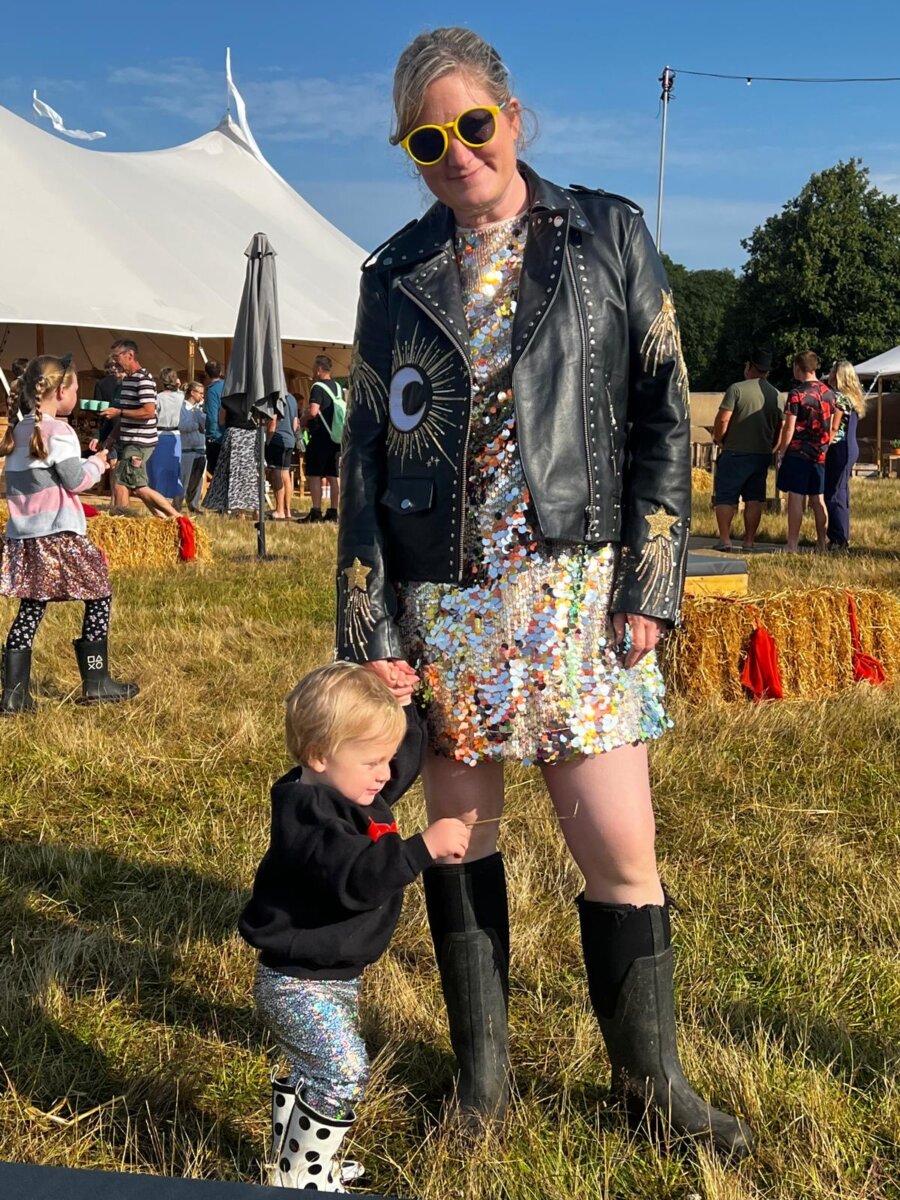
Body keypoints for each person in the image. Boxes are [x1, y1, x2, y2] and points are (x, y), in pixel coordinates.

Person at [336, 26, 751, 1158]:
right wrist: (370, 622)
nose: (457, 151)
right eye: (428, 138)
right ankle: (482, 1084)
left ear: (514, 120)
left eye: (474, 124)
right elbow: (367, 460)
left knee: (619, 845)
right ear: (410, 152)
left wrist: (654, 577)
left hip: (581, 592)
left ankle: (650, 1083)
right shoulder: (390, 275)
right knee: (459, 839)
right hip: (451, 600)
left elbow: (668, 414)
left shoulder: (609, 234)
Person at [238, 661, 470, 1189]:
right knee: (343, 1072)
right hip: (296, 982)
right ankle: (306, 1177)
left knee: (312, 1071)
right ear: (320, 755)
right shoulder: (310, 817)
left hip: (332, 974)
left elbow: (403, 763)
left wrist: (404, 707)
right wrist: (422, 849)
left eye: (384, 759)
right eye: (372, 762)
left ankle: (293, 1163)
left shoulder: (349, 788)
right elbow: (358, 879)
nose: (385, 774)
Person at [0, 355, 138, 712]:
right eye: (76, 387)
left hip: (26, 536)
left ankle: (14, 695)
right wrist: (98, 463)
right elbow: (76, 481)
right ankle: (97, 682)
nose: (78, 392)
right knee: (99, 593)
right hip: (60, 534)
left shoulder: (18, 431)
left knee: (32, 605)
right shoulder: (60, 432)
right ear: (61, 391)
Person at [712, 346, 784, 551]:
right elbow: (781, 426)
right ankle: (749, 540)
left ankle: (725, 539)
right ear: (767, 371)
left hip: (734, 451)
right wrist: (773, 447)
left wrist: (719, 438)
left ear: (751, 366)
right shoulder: (776, 395)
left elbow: (723, 419)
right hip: (761, 453)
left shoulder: (736, 389)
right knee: (754, 498)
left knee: (726, 496)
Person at [100, 340, 179, 519]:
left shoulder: (143, 380)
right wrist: (113, 436)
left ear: (130, 355)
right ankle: (169, 519)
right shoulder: (128, 380)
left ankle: (122, 520)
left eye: (116, 357)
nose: (114, 362)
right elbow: (127, 416)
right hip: (129, 441)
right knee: (138, 487)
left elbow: (148, 412)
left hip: (139, 442)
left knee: (122, 481)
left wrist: (118, 411)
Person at [774, 351, 835, 553]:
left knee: (796, 497)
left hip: (799, 452)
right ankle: (821, 544)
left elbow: (789, 427)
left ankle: (792, 544)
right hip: (820, 453)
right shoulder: (829, 393)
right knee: (818, 499)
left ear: (798, 368)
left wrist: (782, 451)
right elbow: (833, 423)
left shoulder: (797, 394)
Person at [824, 360, 866, 549]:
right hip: (850, 447)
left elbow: (834, 427)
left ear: (838, 375)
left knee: (834, 492)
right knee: (842, 491)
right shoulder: (854, 397)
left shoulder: (839, 398)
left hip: (839, 448)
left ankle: (838, 538)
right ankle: (841, 535)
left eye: (832, 371)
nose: (829, 374)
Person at [298, 355, 341, 523]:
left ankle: (316, 511)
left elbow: (314, 411)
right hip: (334, 435)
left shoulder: (317, 387)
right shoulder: (337, 387)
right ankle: (333, 511)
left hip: (320, 436)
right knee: (332, 475)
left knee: (315, 474)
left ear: (318, 369)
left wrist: (303, 419)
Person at [202, 396, 258, 518]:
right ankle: (255, 509)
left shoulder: (228, 400)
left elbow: (221, 421)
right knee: (251, 474)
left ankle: (238, 510)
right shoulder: (255, 397)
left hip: (234, 435)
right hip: (251, 437)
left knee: (233, 473)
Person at [147, 367, 184, 504]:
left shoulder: (158, 398)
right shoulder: (182, 398)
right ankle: (177, 503)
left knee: (158, 471)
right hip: (177, 435)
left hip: (159, 435)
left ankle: (159, 502)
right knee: (176, 470)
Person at [265, 393, 299, 519]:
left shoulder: (275, 398)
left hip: (277, 439)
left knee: (277, 473)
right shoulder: (292, 398)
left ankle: (279, 510)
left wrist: (268, 439)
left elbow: (273, 421)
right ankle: (287, 510)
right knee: (285, 474)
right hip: (290, 440)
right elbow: (295, 423)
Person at [177, 380, 207, 514]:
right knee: (184, 479)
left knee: (197, 478)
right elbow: (181, 425)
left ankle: (194, 505)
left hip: (200, 446)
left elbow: (206, 424)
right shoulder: (182, 408)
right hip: (187, 447)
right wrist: (196, 425)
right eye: (199, 393)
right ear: (192, 393)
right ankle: (177, 504)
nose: (201, 396)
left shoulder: (200, 409)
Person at [203, 360, 225, 476]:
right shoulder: (226, 386)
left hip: (216, 437)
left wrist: (211, 436)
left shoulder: (212, 390)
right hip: (227, 434)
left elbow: (212, 416)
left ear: (206, 374)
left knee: (214, 473)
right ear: (220, 372)